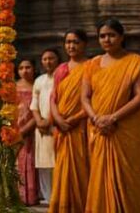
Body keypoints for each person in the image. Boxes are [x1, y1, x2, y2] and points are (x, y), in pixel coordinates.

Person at [82, 18, 140, 211]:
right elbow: (85, 97)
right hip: (99, 129)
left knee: (131, 178)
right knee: (100, 176)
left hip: (126, 130)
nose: (107, 39)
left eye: (112, 35)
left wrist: (113, 117)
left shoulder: (135, 63)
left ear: (122, 37)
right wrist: (96, 118)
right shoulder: (91, 65)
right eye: (102, 36)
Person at [49, 29, 90, 213]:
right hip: (62, 129)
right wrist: (58, 118)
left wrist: (73, 119)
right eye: (68, 42)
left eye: (76, 42)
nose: (71, 46)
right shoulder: (61, 69)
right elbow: (53, 98)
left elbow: (93, 99)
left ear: (84, 44)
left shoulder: (92, 67)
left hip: (82, 127)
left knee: (83, 171)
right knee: (63, 171)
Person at [31, 47, 59, 202]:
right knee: (43, 163)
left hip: (55, 125)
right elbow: (34, 104)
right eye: (45, 59)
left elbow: (61, 102)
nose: (48, 62)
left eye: (51, 58)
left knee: (56, 162)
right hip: (40, 127)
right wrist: (39, 121)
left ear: (58, 60)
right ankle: (48, 197)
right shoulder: (39, 80)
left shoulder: (62, 78)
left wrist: (49, 120)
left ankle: (58, 196)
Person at [16, 59, 38, 205]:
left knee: (30, 161)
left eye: (28, 67)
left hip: (32, 130)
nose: (25, 70)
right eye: (21, 67)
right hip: (13, 130)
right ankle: (16, 196)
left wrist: (26, 128)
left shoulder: (37, 86)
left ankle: (31, 196)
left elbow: (39, 109)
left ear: (34, 69)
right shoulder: (11, 87)